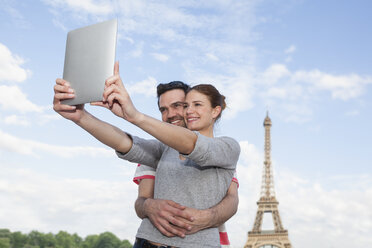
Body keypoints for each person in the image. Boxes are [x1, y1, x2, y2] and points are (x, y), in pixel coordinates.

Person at [53, 62, 240, 247]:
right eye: (187, 106)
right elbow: (125, 143)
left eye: (195, 105)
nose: (188, 111)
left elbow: (194, 145)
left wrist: (134, 115)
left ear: (216, 111)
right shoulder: (165, 148)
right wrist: (81, 117)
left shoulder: (228, 147)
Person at [133, 81, 239, 247]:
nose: (170, 114)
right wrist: (148, 206)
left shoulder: (218, 150)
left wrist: (206, 217)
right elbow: (140, 202)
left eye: (178, 105)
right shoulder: (158, 149)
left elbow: (232, 199)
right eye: (163, 109)